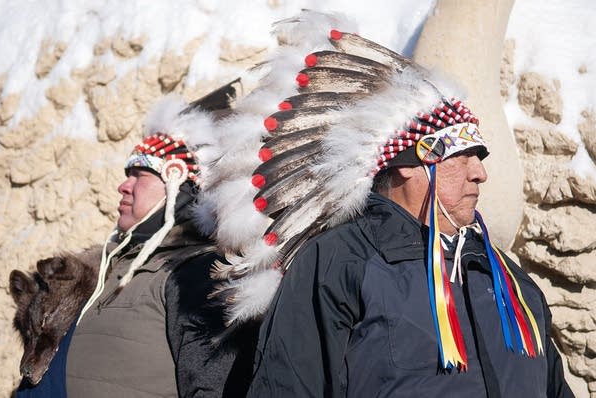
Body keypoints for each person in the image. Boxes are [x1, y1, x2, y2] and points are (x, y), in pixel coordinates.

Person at [201, 11, 574, 398]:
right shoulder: (337, 264)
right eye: (461, 158)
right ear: (410, 166)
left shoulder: (510, 280)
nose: (480, 174)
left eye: (479, 158)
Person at [13, 81, 256, 398]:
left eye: (140, 175)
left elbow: (215, 387)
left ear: (178, 184)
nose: (123, 186)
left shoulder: (197, 275)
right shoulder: (98, 273)